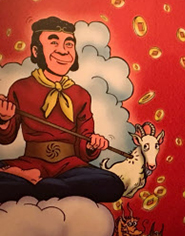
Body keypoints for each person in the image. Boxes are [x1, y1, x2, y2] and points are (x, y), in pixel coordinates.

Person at [0, 16, 125, 202]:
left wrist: (91, 145)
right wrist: (4, 119)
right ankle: (38, 182)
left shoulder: (81, 94)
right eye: (53, 42)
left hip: (70, 168)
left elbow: (83, 146)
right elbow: (7, 137)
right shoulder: (20, 87)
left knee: (112, 184)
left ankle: (41, 186)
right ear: (36, 51)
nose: (63, 50)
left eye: (69, 44)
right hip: (31, 163)